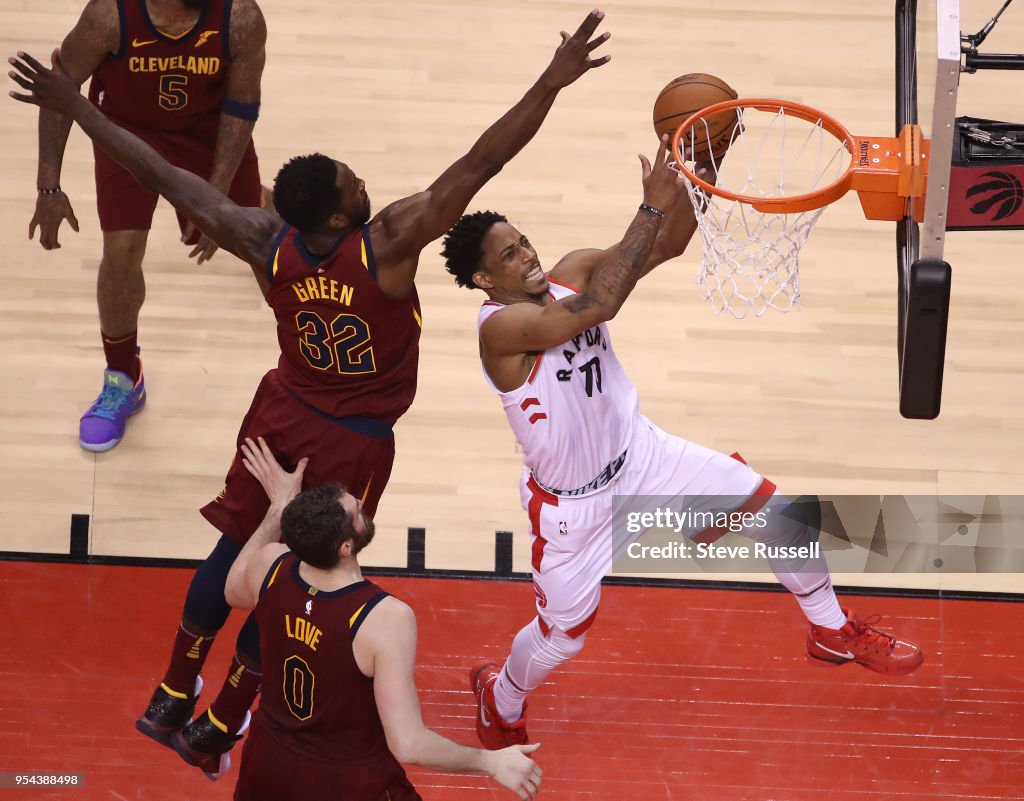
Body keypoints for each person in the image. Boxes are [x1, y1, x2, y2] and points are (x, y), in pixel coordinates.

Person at [9, 8, 610, 778]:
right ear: (339, 213)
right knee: (297, 573)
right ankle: (220, 719)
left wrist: (79, 105)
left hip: (279, 413)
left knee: (234, 546)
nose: (363, 180)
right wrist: (550, 82)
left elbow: (162, 172)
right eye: (352, 183)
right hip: (351, 439)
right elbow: (479, 161)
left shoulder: (264, 240)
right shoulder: (386, 243)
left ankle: (170, 691)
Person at [439, 135, 925, 749]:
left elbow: (666, 244)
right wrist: (648, 207)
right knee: (564, 635)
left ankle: (831, 629)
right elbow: (602, 306)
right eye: (509, 255)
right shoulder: (502, 330)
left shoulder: (574, 270)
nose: (527, 255)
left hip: (644, 456)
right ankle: (501, 697)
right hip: (574, 508)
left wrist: (704, 170)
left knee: (780, 515)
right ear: (485, 278)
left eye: (524, 240)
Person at [220, 436, 543, 800]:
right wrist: (492, 763)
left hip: (268, 765)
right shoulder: (382, 618)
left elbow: (232, 589)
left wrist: (278, 508)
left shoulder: (270, 565)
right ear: (345, 548)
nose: (359, 502)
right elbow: (408, 743)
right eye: (354, 511)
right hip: (346, 782)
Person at [29, 0, 269, 453]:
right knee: (121, 252)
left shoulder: (240, 17)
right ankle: (123, 378)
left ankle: (310, 369)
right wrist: (48, 188)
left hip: (206, 131)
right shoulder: (108, 16)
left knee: (256, 235)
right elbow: (62, 88)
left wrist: (214, 203)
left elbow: (242, 106)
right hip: (126, 136)